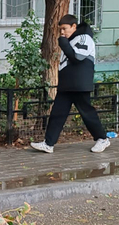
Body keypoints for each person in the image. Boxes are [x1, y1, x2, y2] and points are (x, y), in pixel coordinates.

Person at [31, 15, 110, 154]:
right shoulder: (71, 39)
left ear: (74, 26)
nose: (62, 32)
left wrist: (63, 43)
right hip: (67, 84)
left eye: (64, 29)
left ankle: (102, 139)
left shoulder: (84, 37)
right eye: (60, 29)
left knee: (87, 113)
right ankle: (49, 143)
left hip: (79, 84)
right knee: (57, 113)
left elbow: (77, 57)